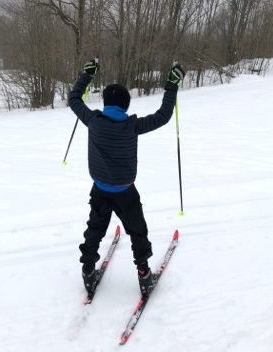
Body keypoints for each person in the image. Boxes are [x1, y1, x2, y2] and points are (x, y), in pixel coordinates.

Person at [68, 58, 185, 297]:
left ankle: (88, 271)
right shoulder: (133, 126)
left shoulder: (93, 121)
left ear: (106, 102)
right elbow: (163, 115)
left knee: (95, 229)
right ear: (126, 106)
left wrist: (87, 75)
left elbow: (73, 100)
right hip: (125, 192)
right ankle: (144, 274)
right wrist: (171, 86)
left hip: (100, 190)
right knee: (137, 231)